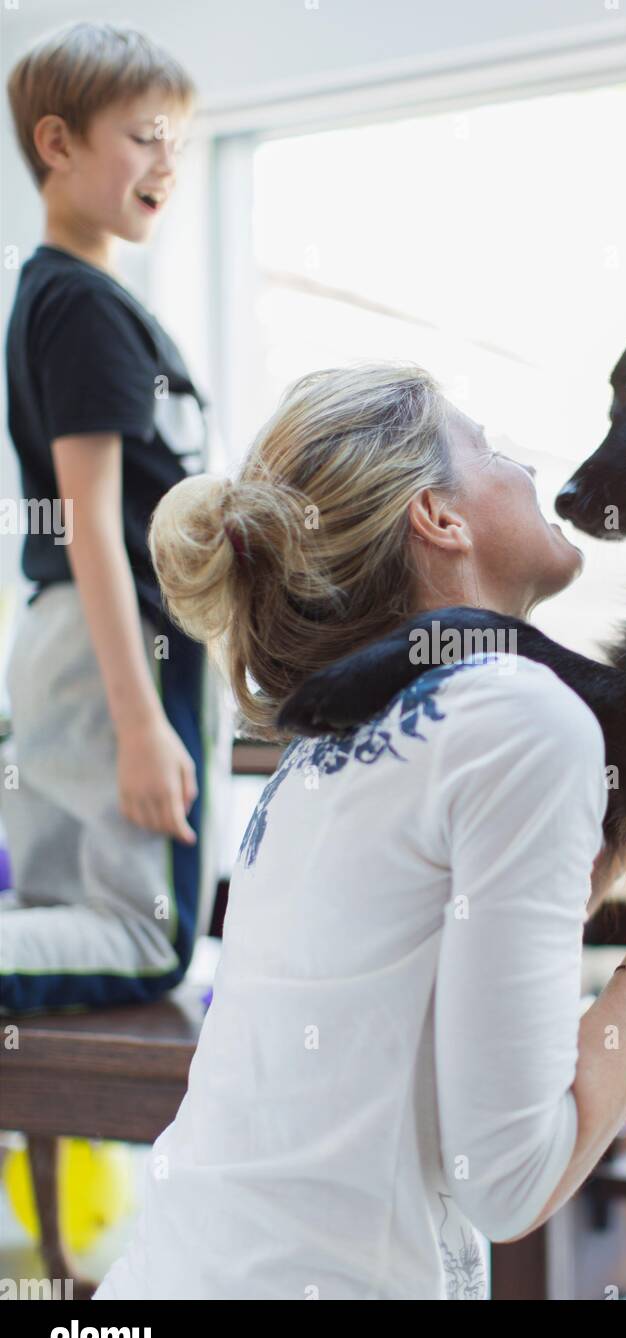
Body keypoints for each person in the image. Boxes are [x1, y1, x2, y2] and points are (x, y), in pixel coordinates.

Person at [91, 361, 626, 1300]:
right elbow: (511, 1181)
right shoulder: (522, 713)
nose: (522, 464)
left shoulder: (322, 748)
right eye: (485, 446)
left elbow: (441, 954)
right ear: (439, 519)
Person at [0, 23, 232, 1013]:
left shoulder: (57, 296)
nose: (167, 162)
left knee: (63, 909)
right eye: (144, 136)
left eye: (178, 141)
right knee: (150, 939)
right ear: (58, 143)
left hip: (68, 642)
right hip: (115, 650)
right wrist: (142, 724)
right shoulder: (86, 304)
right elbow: (93, 522)